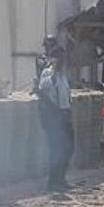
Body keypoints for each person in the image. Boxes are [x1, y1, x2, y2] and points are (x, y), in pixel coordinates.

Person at [35, 47, 74, 192]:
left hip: (65, 115)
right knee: (57, 150)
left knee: (68, 149)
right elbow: (44, 94)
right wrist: (58, 113)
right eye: (61, 57)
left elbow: (65, 96)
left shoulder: (63, 74)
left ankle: (61, 179)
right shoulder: (48, 74)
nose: (64, 60)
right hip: (54, 117)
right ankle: (53, 183)